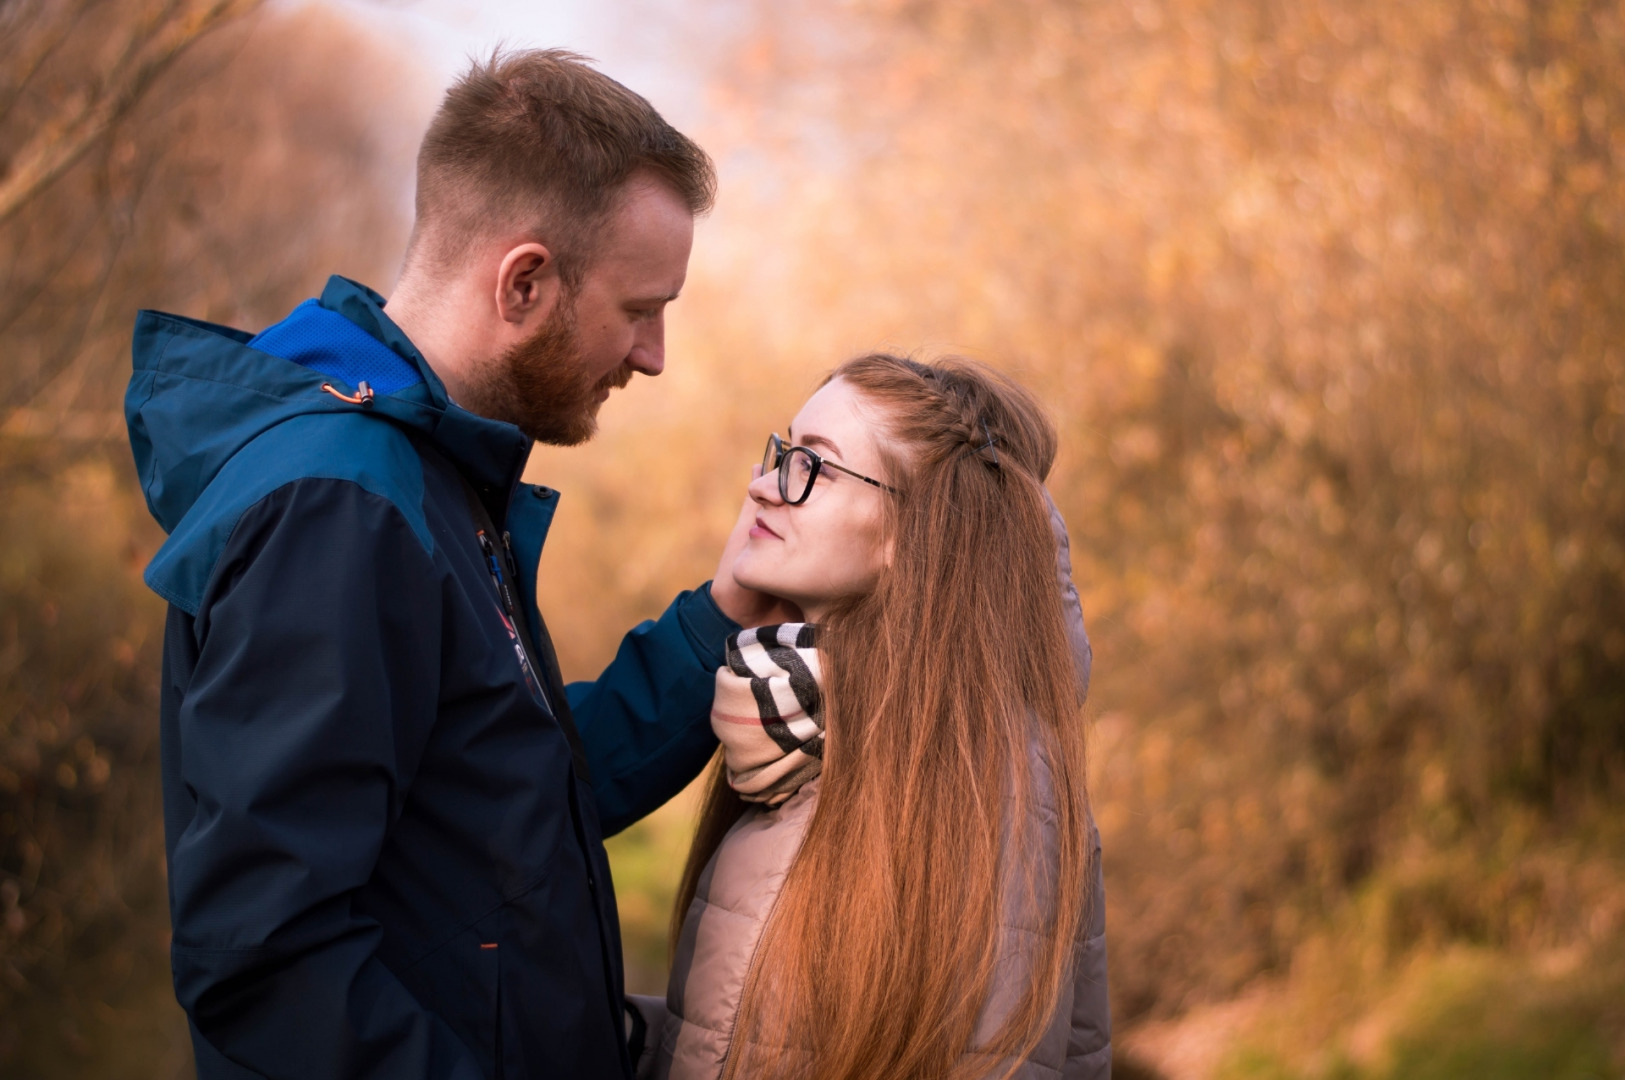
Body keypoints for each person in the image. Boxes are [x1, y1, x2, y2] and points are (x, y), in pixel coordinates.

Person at [125, 50, 788, 1079]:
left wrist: (721, 618)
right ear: (524, 280)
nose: (653, 354)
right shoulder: (339, 508)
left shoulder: (421, 472)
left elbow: (509, 801)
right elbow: (265, 956)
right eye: (638, 308)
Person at [630, 354, 1110, 1080]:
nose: (763, 485)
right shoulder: (788, 731)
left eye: (812, 468)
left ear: (909, 536)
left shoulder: (991, 784)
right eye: (781, 453)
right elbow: (752, 1038)